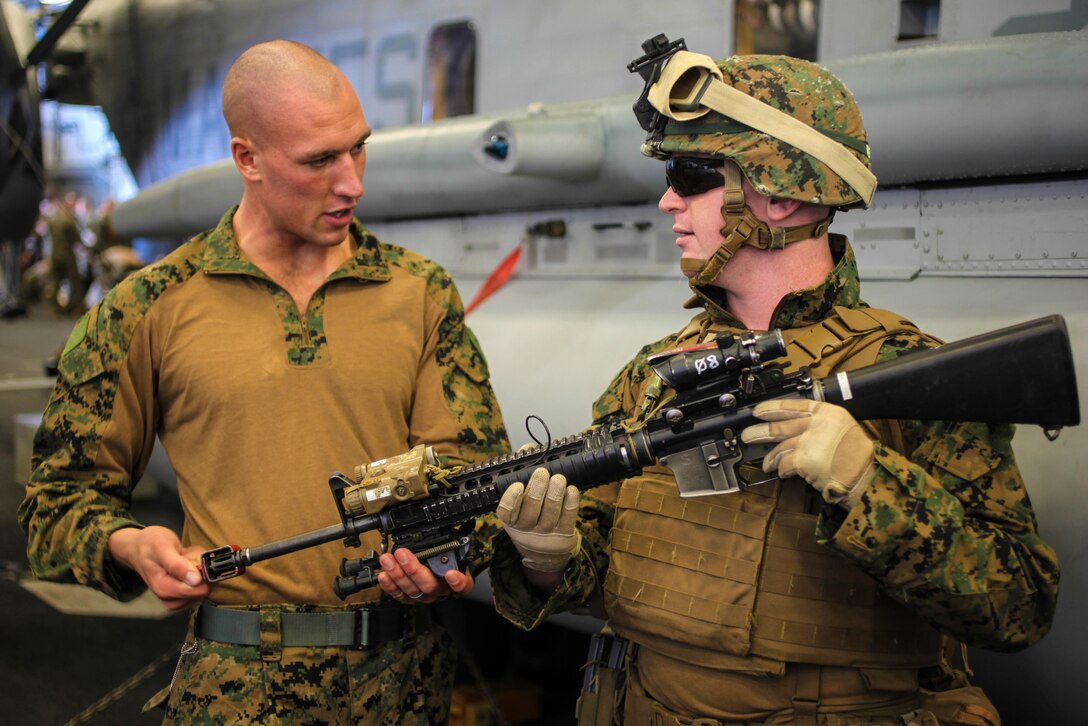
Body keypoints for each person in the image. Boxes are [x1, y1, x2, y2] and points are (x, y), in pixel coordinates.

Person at [486, 44, 1060, 725]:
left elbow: (1016, 606)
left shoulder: (905, 377)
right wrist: (550, 561)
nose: (669, 199)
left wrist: (866, 480)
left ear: (783, 195)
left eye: (692, 173)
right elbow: (626, 575)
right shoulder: (654, 375)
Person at [19, 40, 509, 724]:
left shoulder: (419, 293)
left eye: (357, 148)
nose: (353, 183)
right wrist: (128, 545)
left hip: (403, 685)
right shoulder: (150, 307)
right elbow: (55, 503)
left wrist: (444, 552)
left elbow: (477, 471)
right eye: (319, 161)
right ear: (246, 158)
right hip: (236, 693)